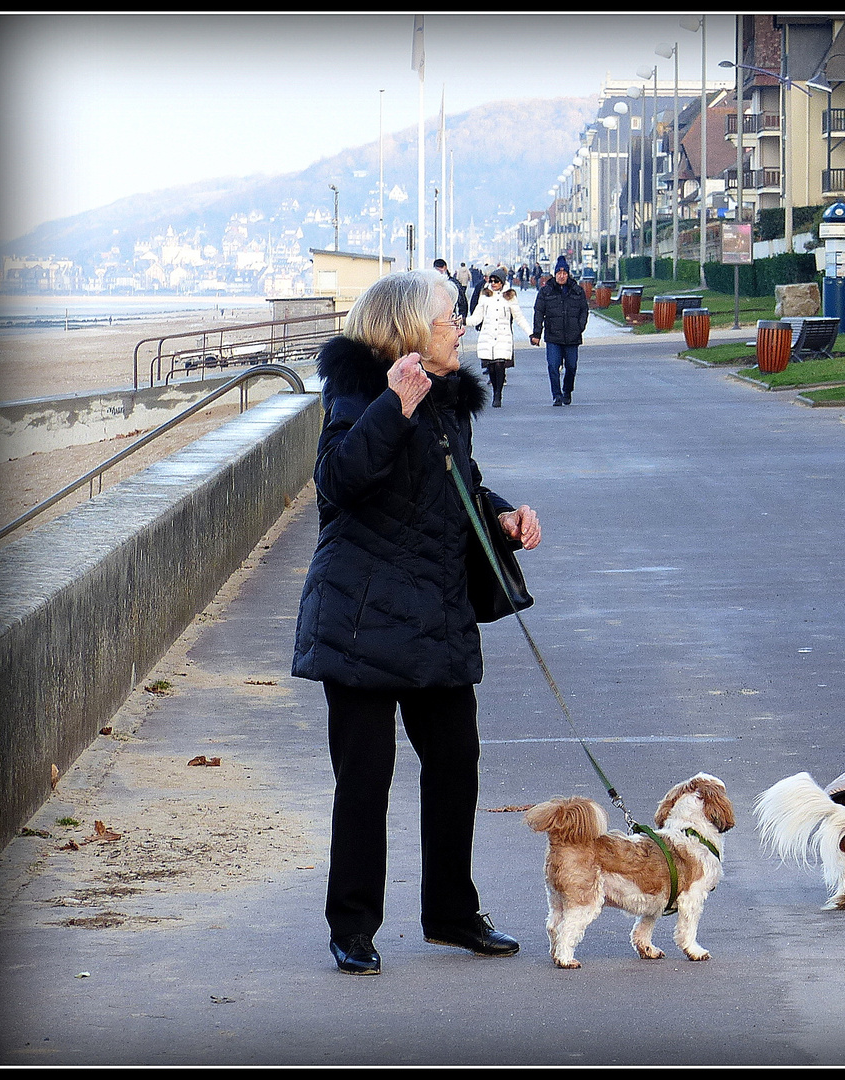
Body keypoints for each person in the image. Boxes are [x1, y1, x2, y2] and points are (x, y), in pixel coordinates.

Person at [291, 268, 544, 975]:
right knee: (366, 780)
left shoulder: (449, 400)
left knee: (457, 764)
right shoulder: (360, 392)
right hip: (362, 617)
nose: (460, 328)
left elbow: (454, 481)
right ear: (407, 331)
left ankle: (452, 914)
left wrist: (502, 513)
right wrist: (393, 408)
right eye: (448, 320)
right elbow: (338, 482)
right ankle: (353, 927)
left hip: (433, 614)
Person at [531, 255, 589, 406]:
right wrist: (537, 333)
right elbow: (538, 312)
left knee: (571, 366)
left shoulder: (577, 291)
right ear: (555, 274)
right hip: (553, 336)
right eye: (559, 273)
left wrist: (579, 327)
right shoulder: (546, 291)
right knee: (553, 365)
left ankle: (567, 390)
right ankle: (556, 394)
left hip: (572, 336)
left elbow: (584, 310)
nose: (561, 276)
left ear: (568, 274)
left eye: (564, 273)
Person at [470, 271, 531, 408]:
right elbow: (477, 317)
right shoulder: (485, 296)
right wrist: (463, 321)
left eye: (496, 281)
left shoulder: (510, 297)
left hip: (503, 335)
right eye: (491, 281)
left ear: (502, 282)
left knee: (499, 365)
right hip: (488, 334)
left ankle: (498, 393)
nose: (493, 284)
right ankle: (494, 389)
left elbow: (519, 317)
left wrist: (530, 334)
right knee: (491, 367)